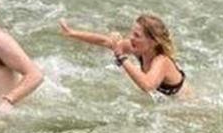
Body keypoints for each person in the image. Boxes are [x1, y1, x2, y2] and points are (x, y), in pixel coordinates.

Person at [59, 13, 189, 97]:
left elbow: (147, 86)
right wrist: (72, 33)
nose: (131, 38)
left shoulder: (162, 61)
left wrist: (122, 57)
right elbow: (106, 41)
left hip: (185, 105)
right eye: (132, 33)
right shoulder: (139, 48)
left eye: (137, 36)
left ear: (154, 41)